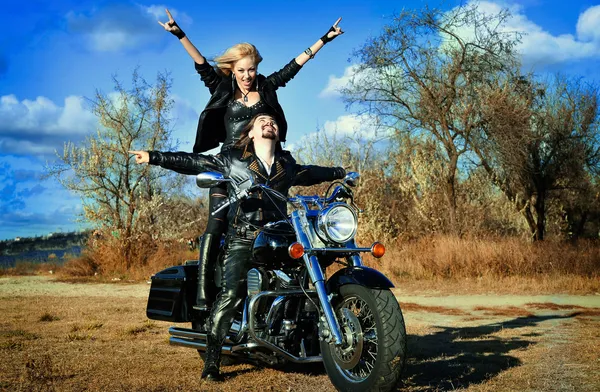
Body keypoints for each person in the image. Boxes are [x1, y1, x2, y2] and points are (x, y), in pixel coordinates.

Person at [130, 113, 346, 381]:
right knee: (231, 293)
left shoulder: (286, 164)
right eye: (262, 121)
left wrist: (340, 173)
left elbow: (311, 172)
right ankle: (212, 360)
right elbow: (195, 161)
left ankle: (300, 333)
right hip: (243, 236)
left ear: (278, 133)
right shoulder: (234, 159)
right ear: (252, 133)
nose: (270, 123)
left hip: (279, 235)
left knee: (309, 276)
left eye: (273, 122)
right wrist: (155, 157)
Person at [157, 9, 345, 314]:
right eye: (242, 70)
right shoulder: (223, 89)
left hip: (262, 164)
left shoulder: (266, 88)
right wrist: (179, 34)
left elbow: (293, 67)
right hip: (230, 166)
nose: (247, 76)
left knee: (278, 223)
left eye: (252, 70)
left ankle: (288, 293)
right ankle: (205, 291)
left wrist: (324, 39)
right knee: (217, 224)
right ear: (233, 69)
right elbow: (202, 64)